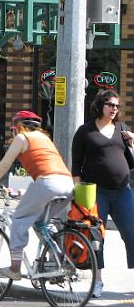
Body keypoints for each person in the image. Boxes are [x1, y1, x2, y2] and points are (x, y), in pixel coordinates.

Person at [0, 110, 73, 281]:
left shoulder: (22, 138)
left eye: (13, 128)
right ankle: (58, 260)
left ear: (18, 126)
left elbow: (3, 165)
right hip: (67, 185)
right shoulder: (45, 139)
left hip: (48, 184)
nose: (13, 132)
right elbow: (44, 169)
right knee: (41, 223)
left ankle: (15, 268)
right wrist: (24, 192)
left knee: (19, 220)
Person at [71, 89, 134, 298]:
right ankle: (97, 281)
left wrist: (133, 143)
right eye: (110, 105)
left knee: (132, 233)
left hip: (122, 191)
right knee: (97, 237)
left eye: (117, 106)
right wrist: (80, 196)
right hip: (96, 193)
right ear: (100, 105)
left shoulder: (122, 129)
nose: (114, 109)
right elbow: (76, 166)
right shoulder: (85, 131)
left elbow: (131, 163)